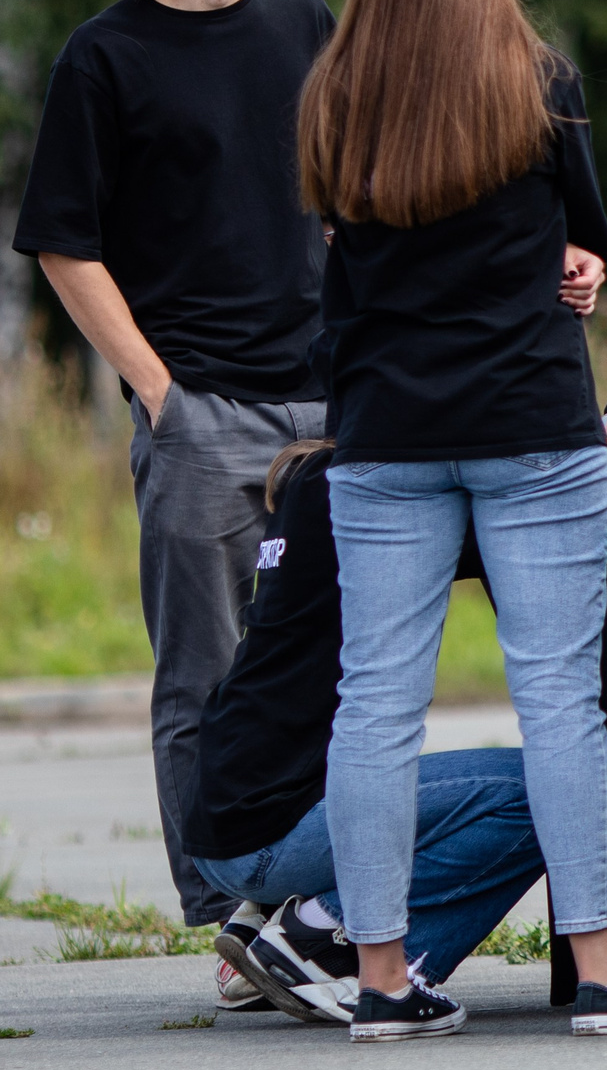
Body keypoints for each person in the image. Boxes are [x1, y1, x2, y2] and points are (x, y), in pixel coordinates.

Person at [302, 0, 607, 1042]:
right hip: (530, 421)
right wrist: (566, 273)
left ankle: (377, 980)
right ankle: (606, 973)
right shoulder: (542, 80)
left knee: (373, 707)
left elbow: (337, 281)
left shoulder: (332, 94)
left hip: (385, 433)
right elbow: (590, 240)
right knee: (564, 702)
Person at [12, 0, 331, 931]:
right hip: (201, 413)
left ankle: (316, 909)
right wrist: (162, 396)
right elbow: (62, 240)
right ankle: (228, 919)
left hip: (326, 408)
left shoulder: (304, 24)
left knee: (328, 674)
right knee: (205, 681)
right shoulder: (107, 56)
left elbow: (352, 192)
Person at [194, 438, 548, 1026]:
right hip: (274, 834)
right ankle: (324, 938)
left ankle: (267, 923)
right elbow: (519, 544)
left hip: (233, 818)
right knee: (549, 795)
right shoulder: (372, 490)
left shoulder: (318, 476)